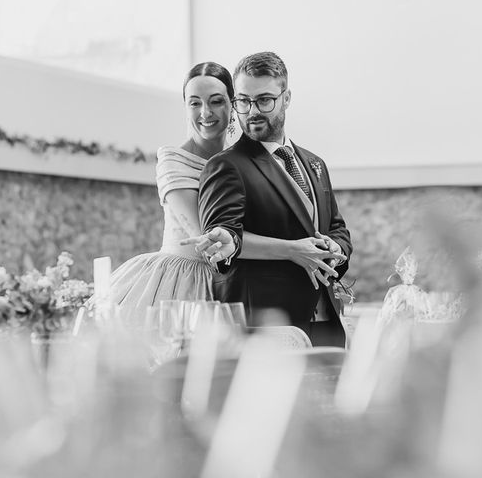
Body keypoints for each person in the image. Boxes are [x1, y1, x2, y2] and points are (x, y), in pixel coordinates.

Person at [110, 61, 344, 324]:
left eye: (216, 101)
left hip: (244, 282)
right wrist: (293, 249)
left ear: (234, 104)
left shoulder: (250, 158)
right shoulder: (174, 160)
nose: (205, 112)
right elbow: (207, 238)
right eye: (194, 102)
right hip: (186, 281)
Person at [193, 52, 353, 347]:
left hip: (325, 324)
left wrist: (334, 247)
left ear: (286, 97)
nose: (252, 110)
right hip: (266, 331)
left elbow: (338, 228)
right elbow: (225, 231)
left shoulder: (315, 163)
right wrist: (228, 241)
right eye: (243, 101)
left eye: (264, 100)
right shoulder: (225, 165)